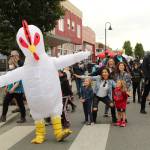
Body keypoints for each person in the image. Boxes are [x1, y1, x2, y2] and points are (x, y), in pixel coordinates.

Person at [0, 58, 26, 123]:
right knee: (5, 102)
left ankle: (23, 117)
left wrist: (13, 88)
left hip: (17, 90)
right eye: (9, 64)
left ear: (14, 64)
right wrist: (6, 87)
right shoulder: (9, 71)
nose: (10, 65)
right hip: (10, 89)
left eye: (11, 64)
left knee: (20, 104)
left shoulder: (18, 71)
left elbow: (18, 82)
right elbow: (8, 80)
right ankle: (3, 116)